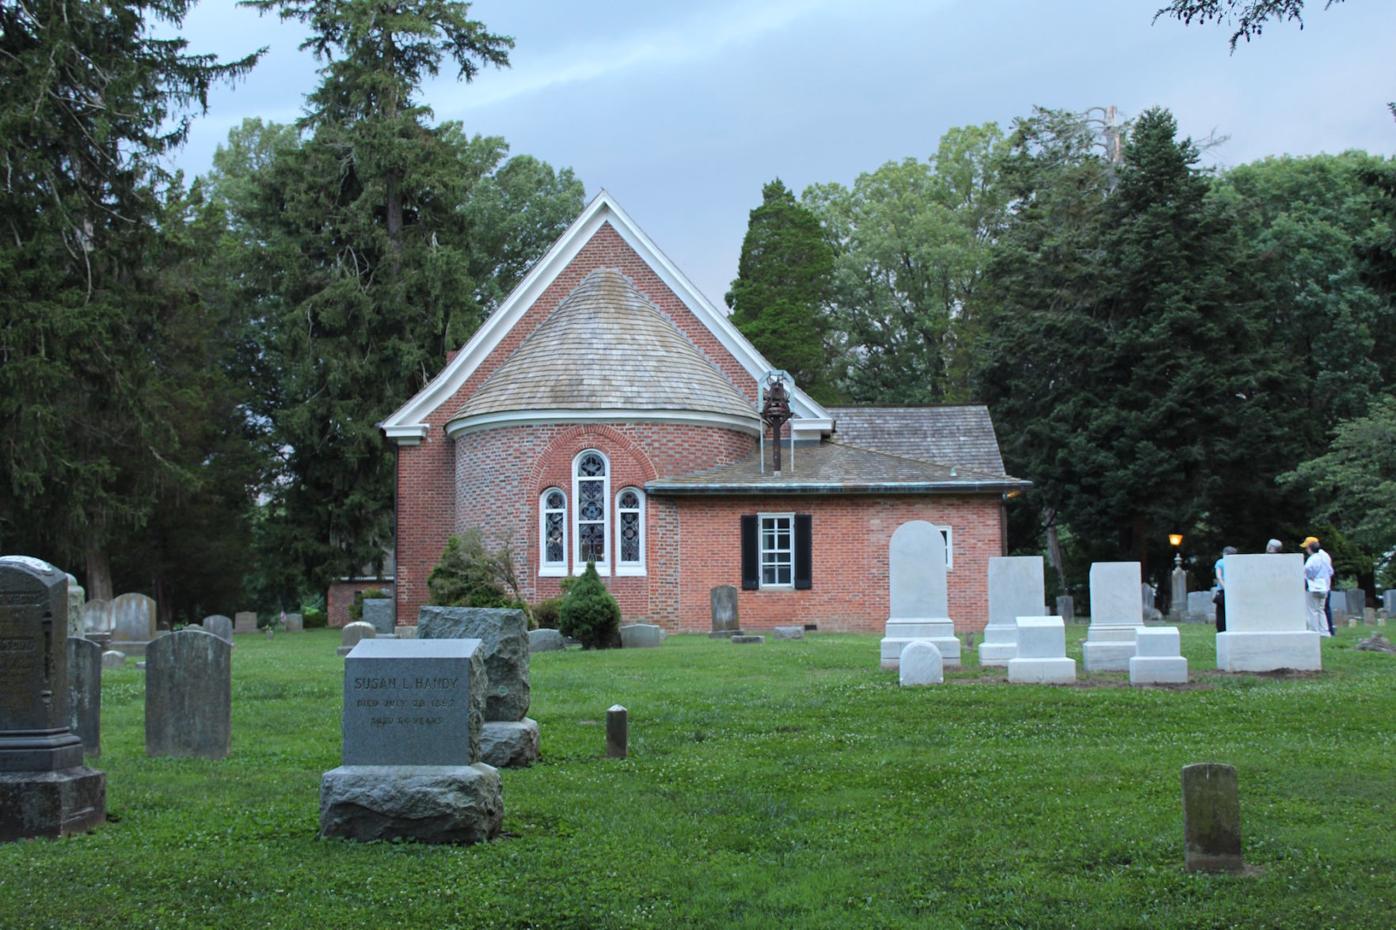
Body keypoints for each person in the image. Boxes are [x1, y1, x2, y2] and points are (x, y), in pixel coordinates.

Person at [1301, 535, 1334, 637]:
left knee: (1312, 610)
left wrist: (1309, 577)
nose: (1306, 550)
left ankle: (1314, 631)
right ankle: (1325, 631)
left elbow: (1307, 570)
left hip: (1314, 586)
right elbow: (1330, 571)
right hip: (1325, 586)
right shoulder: (1325, 557)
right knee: (1321, 609)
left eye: (1307, 548)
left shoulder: (1313, 559)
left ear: (1310, 548)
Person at [1213, 546, 1237, 633]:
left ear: (1224, 554)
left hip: (1222, 592)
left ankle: (1221, 630)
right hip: (1234, 591)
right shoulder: (1236, 563)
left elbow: (1219, 577)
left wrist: (1226, 588)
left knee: (1221, 614)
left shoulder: (1220, 562)